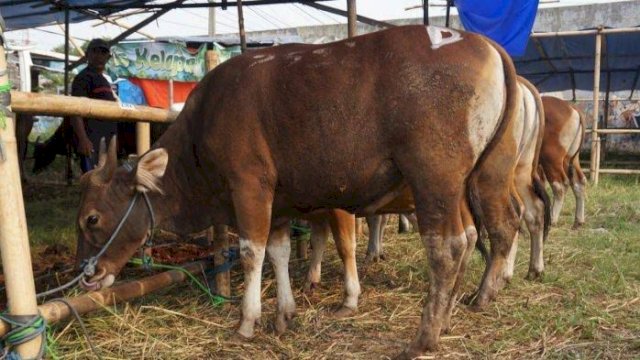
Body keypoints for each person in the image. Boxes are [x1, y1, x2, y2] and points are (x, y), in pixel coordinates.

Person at [70, 38, 118, 173]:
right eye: (95, 52)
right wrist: (83, 139)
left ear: (108, 57)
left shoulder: (103, 80)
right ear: (87, 55)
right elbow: (75, 110)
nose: (99, 56)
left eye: (103, 53)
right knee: (93, 180)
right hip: (91, 140)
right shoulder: (82, 78)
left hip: (106, 140)